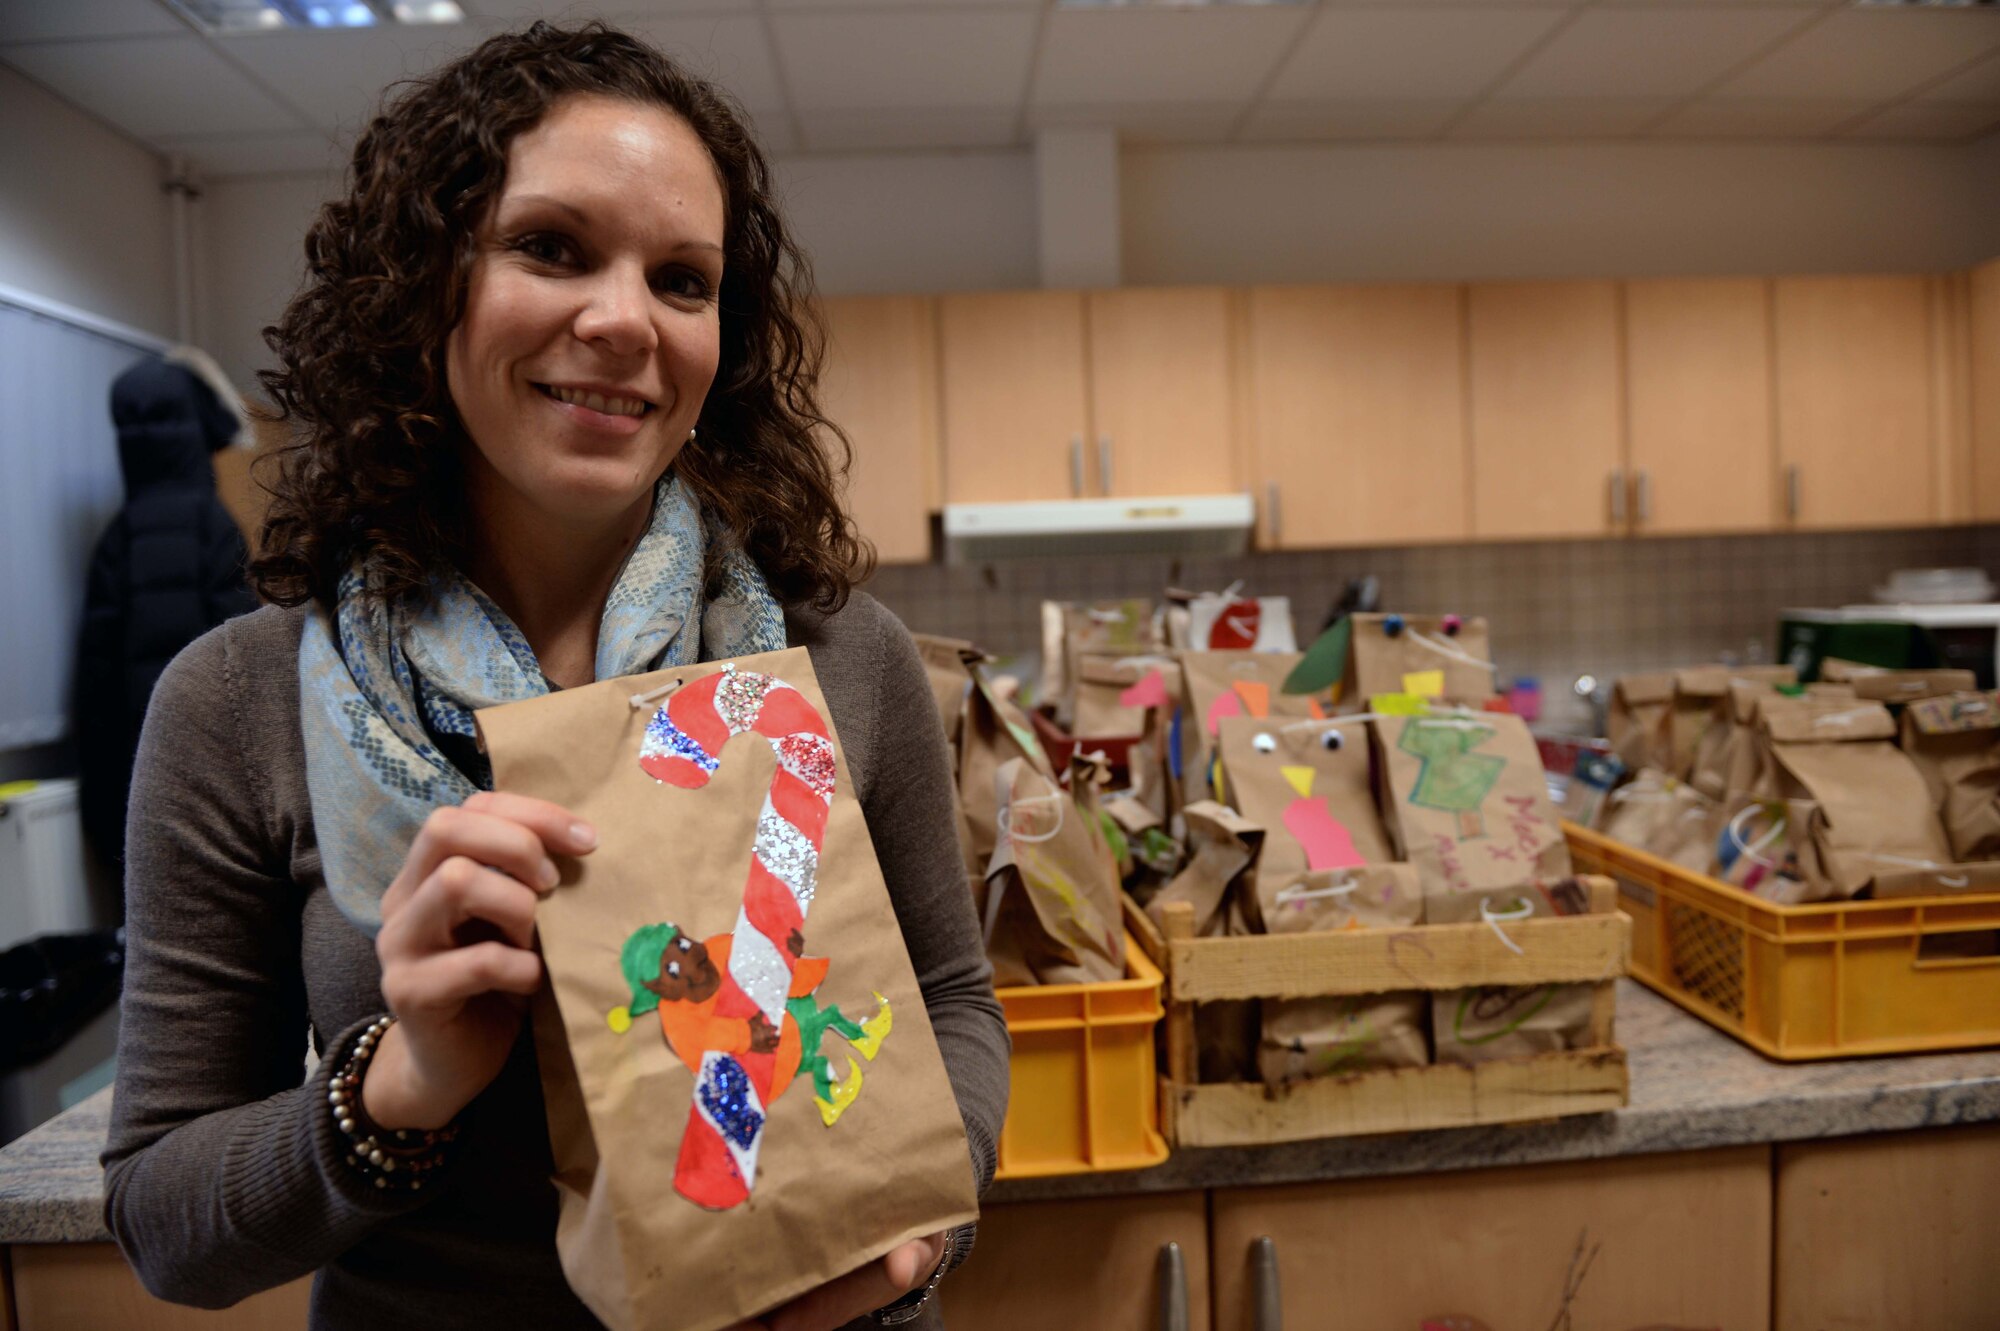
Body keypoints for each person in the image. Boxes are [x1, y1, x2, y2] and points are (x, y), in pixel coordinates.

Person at [100, 22, 1009, 1331]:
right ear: (425, 287)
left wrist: (917, 1233)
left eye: (683, 279)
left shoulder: (838, 654)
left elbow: (951, 1004)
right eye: (553, 248)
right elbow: (165, 1221)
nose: (624, 319)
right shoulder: (239, 703)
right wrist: (397, 1084)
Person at [73, 350, 256, 870]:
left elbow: (96, 679)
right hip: (212, 779)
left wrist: (101, 806)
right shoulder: (214, 527)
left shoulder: (118, 535)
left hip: (137, 779)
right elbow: (242, 655)